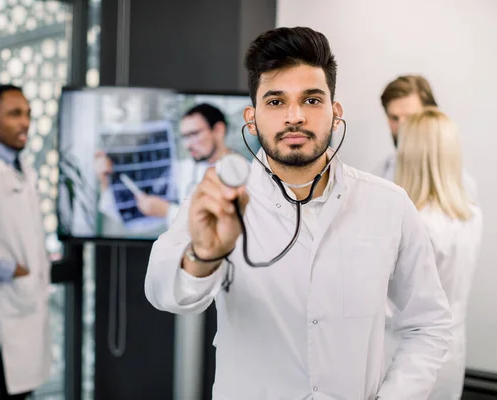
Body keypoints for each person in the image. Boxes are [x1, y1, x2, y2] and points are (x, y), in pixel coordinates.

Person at [144, 26, 452, 398]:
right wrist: (204, 255)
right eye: (275, 101)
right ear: (252, 117)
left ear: (335, 112)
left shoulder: (389, 204)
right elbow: (165, 292)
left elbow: (428, 324)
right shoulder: (217, 201)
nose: (295, 116)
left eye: (311, 100)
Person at [0, 84, 52, 399]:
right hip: (0, 306)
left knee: (21, 388)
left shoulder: (22, 169)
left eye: (28, 114)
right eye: (15, 114)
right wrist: (5, 267)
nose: (26, 122)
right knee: (2, 387)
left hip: (26, 304)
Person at [394, 108, 483, 399]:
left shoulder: (413, 222)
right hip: (453, 347)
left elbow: (393, 304)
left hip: (410, 353)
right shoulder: (471, 215)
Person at [95, 103, 233, 228]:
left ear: (218, 130)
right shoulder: (182, 170)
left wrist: (167, 211)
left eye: (194, 134)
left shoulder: (246, 175)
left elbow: (221, 227)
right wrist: (105, 180)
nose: (187, 145)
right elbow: (127, 213)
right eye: (185, 137)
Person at [376, 75, 478, 200]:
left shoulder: (460, 187)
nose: (402, 127)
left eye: (411, 118)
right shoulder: (381, 175)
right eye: (394, 118)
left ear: (431, 115)